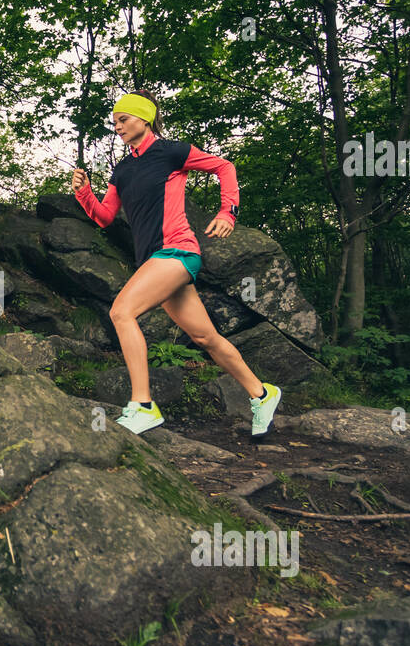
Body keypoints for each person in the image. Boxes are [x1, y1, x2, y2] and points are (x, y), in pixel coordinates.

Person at [70, 90, 281, 436]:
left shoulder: (171, 152)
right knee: (205, 337)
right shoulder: (122, 170)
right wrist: (84, 192)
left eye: (123, 119)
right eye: (114, 122)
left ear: (145, 117)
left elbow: (223, 167)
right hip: (155, 260)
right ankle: (261, 393)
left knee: (121, 312)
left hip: (177, 251)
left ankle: (142, 405)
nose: (118, 127)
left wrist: (228, 211)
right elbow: (106, 217)